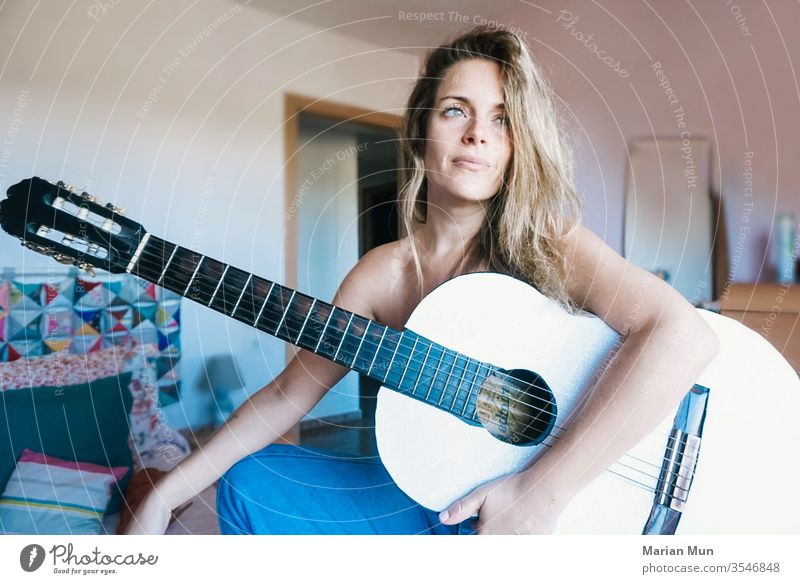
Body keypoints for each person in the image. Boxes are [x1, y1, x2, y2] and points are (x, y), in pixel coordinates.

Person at [125, 25, 719, 535]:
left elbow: (685, 336)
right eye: (455, 109)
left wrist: (540, 494)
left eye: (502, 119)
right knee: (252, 484)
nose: (477, 134)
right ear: (420, 130)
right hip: (439, 496)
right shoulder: (380, 276)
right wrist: (163, 496)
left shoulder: (549, 244)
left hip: (555, 500)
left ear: (518, 145)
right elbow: (287, 396)